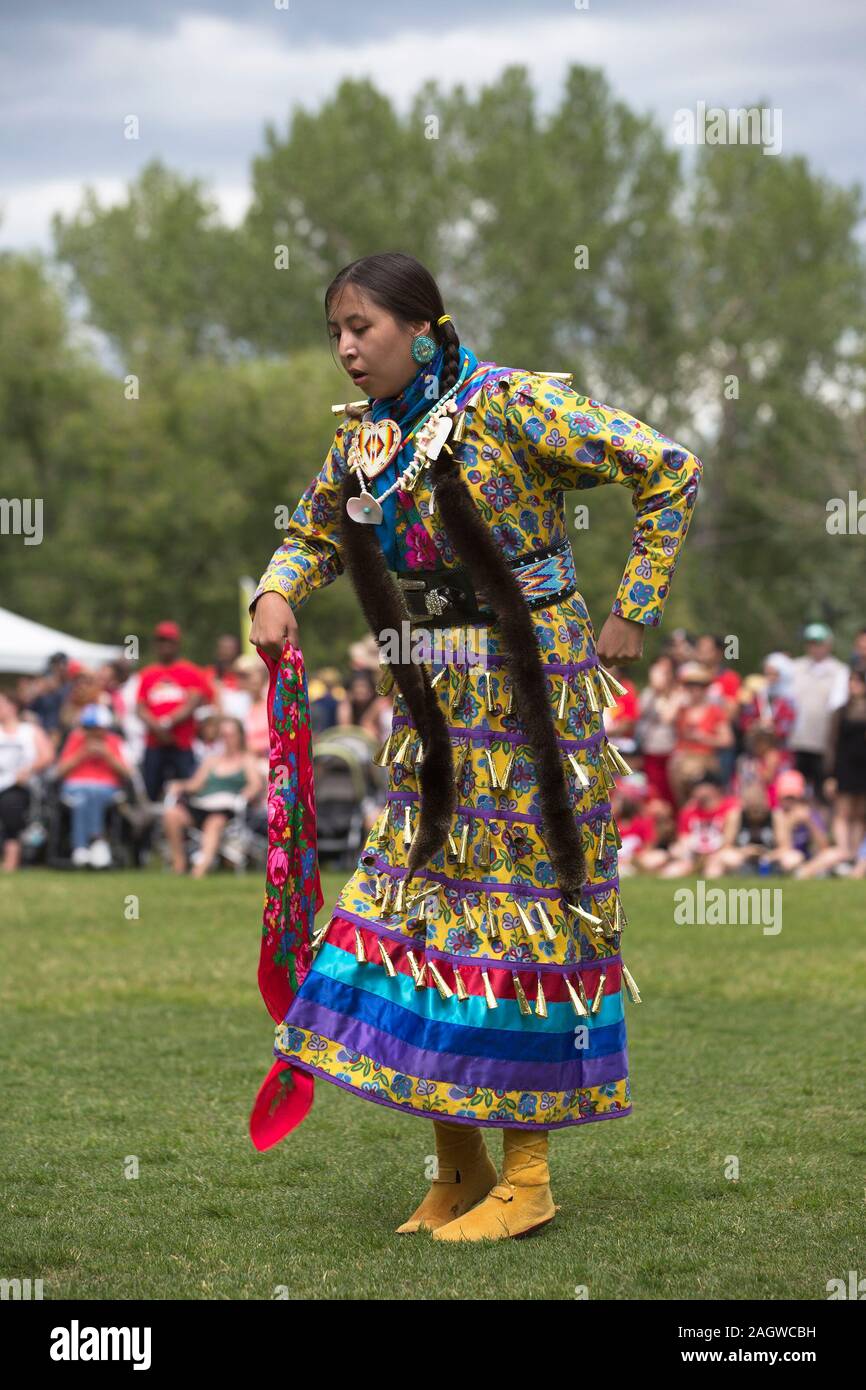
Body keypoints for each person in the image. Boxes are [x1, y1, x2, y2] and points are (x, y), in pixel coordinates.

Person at [248, 251, 702, 1241]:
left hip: (532, 693)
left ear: (419, 326)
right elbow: (317, 529)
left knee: (517, 920)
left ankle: (527, 1177)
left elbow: (665, 467)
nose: (345, 349)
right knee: (417, 919)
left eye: (360, 327)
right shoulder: (370, 441)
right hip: (433, 705)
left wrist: (631, 608)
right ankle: (455, 1166)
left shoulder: (511, 406)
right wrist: (277, 586)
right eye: (334, 331)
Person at [162, 717, 264, 877]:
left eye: (231, 735)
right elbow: (195, 784)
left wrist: (245, 795)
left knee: (214, 823)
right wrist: (179, 785)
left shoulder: (247, 760)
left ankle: (201, 868)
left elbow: (255, 784)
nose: (227, 739)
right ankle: (179, 863)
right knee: (171, 815)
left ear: (240, 736)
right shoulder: (211, 760)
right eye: (223, 735)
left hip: (227, 809)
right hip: (202, 804)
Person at [136, 621, 213, 803]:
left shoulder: (191, 671)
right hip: (155, 743)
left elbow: (193, 701)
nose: (164, 646)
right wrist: (157, 728)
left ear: (176, 644)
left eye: (168, 641)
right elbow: (140, 708)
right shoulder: (148, 674)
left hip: (182, 743)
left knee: (186, 789)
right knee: (151, 790)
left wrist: (167, 723)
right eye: (160, 642)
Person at [53, 704, 133, 867]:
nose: (92, 733)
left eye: (96, 728)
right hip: (75, 786)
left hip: (107, 788)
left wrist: (108, 756)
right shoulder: (76, 739)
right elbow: (59, 772)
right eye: (88, 728)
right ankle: (95, 844)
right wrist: (81, 754)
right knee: (84, 795)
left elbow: (128, 774)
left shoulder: (114, 741)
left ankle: (83, 846)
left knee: (91, 794)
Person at [788, 623, 850, 802]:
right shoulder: (794, 668)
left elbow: (838, 707)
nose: (814, 647)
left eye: (819, 642)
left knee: (822, 793)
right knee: (794, 790)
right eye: (811, 642)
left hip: (824, 743)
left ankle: (820, 829)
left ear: (829, 644)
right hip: (795, 741)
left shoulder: (840, 671)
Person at [0, 690, 55, 871]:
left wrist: (29, 769)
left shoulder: (30, 731)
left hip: (21, 785)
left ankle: (12, 854)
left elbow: (48, 755)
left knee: (10, 802)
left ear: (13, 706)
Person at [823, 664, 866, 867]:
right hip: (845, 767)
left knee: (859, 813)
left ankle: (855, 854)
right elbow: (832, 744)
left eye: (858, 681)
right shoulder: (841, 711)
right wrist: (830, 774)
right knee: (843, 812)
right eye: (852, 681)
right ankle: (844, 851)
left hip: (863, 769)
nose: (854, 685)